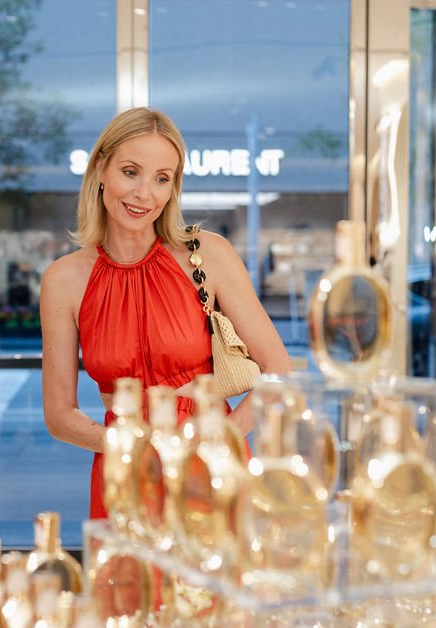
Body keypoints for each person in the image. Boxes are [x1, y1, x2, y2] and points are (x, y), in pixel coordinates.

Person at [40, 107, 292, 519]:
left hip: (210, 466)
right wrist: (130, 446)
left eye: (162, 178)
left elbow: (279, 370)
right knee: (132, 582)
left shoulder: (208, 255)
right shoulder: (63, 280)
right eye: (130, 172)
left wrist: (215, 438)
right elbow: (59, 414)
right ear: (100, 167)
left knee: (208, 581)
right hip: (124, 471)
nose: (145, 193)